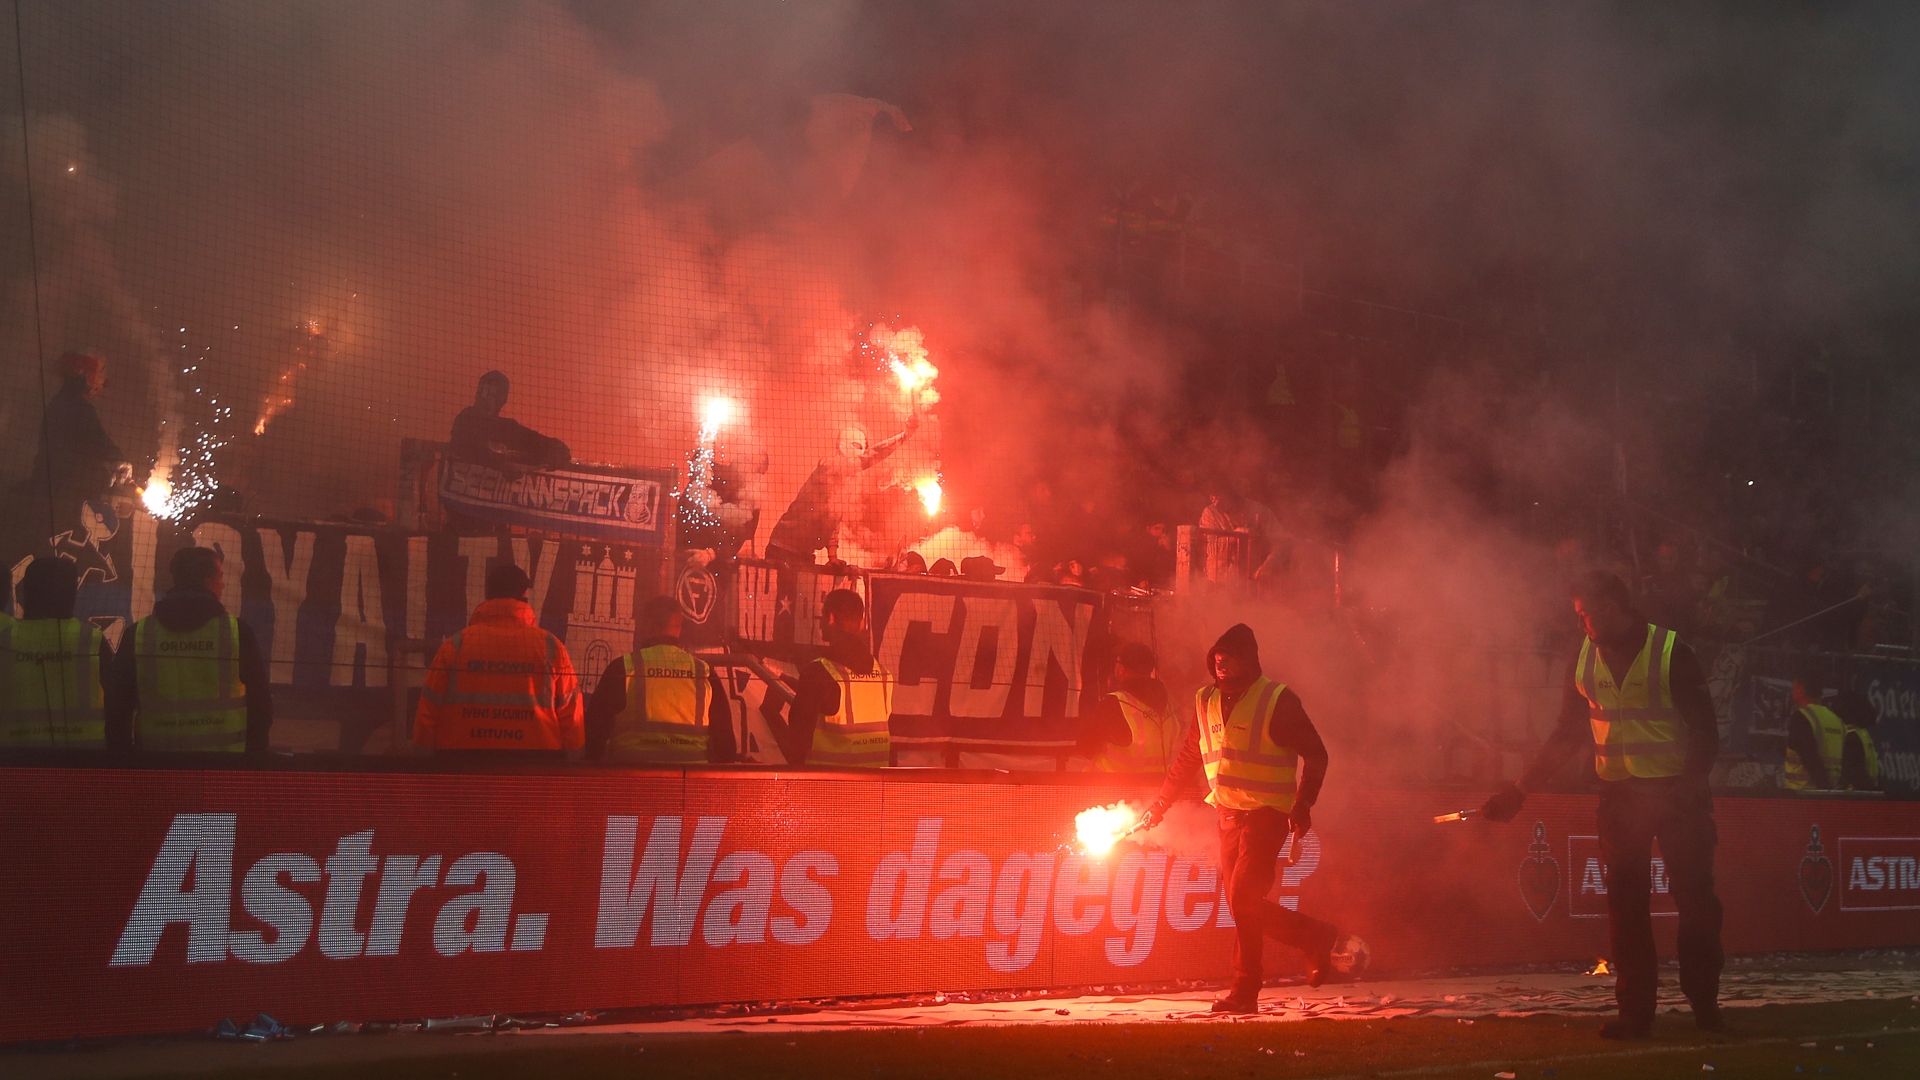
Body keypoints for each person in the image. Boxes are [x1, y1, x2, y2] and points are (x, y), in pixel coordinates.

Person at [1482, 570, 1723, 1038]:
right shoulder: (1584, 658)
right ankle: (1635, 1014)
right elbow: (1567, 734)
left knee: (1696, 902)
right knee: (1626, 906)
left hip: (1678, 798)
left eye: (1586, 614)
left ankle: (1705, 1006)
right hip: (1620, 799)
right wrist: (1520, 790)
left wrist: (1687, 786)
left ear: (1613, 607)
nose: (1582, 624)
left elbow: (1705, 732)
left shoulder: (1671, 652)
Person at [1140, 623, 1348, 1013]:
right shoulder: (1204, 700)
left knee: (1242, 897)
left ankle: (1246, 988)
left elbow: (1317, 754)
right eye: (1217, 656)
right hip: (1227, 815)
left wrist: (1303, 804)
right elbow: (1189, 756)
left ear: (1249, 660)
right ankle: (1314, 938)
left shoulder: (1277, 699)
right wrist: (1160, 804)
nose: (1220, 661)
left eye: (1229, 656)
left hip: (1266, 814)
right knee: (1243, 904)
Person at [107, 546, 272, 753]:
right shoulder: (237, 632)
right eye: (220, 577)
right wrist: (254, 759)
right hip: (223, 763)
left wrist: (122, 760)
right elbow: (260, 706)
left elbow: (117, 707)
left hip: (156, 763)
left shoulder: (139, 635)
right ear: (208, 581)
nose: (223, 584)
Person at [414, 563, 582, 758]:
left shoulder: (456, 645)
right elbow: (571, 717)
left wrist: (424, 762)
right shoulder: (551, 647)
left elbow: (428, 712)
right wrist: (572, 763)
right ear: (524, 595)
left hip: (463, 763)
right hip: (535, 764)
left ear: (488, 594)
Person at [586, 595, 735, 763]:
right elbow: (725, 743)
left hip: (633, 772)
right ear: (679, 627)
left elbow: (594, 733)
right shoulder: (703, 672)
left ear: (646, 625)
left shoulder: (623, 668)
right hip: (690, 773)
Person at [764, 416, 917, 565]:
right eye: (859, 448)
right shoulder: (829, 465)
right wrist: (904, 436)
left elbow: (833, 522)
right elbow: (874, 454)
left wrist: (832, 558)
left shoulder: (845, 484)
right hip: (783, 549)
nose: (862, 453)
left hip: (803, 553)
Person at [772, 588, 893, 766]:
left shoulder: (818, 672)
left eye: (822, 616)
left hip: (829, 782)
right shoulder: (884, 676)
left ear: (830, 618)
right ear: (861, 624)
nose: (820, 624)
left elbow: (797, 739)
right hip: (874, 782)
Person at [17, 351, 129, 542]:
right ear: (83, 374)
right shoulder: (76, 407)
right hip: (62, 498)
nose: (102, 380)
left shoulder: (62, 403)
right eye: (99, 372)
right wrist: (118, 460)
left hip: (52, 493)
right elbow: (97, 441)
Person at [0, 556, 110, 749]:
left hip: (16, 757)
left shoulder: (5, 641)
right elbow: (118, 703)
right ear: (72, 593)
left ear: (26, 592)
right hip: (85, 755)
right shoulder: (92, 640)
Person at [1078, 641, 1177, 774]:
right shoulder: (1170, 705)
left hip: (1115, 782)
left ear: (1121, 669)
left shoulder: (1114, 703)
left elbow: (1086, 748)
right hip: (1160, 782)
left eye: (1117, 662)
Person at [447, 370, 570, 471]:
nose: (484, 398)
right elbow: (466, 445)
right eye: (482, 392)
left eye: (491, 394)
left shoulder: (508, 428)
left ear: (502, 400)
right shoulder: (467, 418)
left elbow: (546, 444)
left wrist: (556, 453)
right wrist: (504, 464)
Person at [1782, 678, 1845, 792]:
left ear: (1801, 689)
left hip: (1803, 792)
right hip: (1830, 791)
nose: (1792, 692)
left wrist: (1824, 787)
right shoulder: (1836, 720)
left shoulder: (1801, 717)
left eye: (1794, 688)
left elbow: (1809, 756)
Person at [1833, 689, 1881, 792]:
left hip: (1855, 795)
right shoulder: (1863, 735)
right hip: (1867, 793)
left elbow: (1854, 773)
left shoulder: (1852, 737)